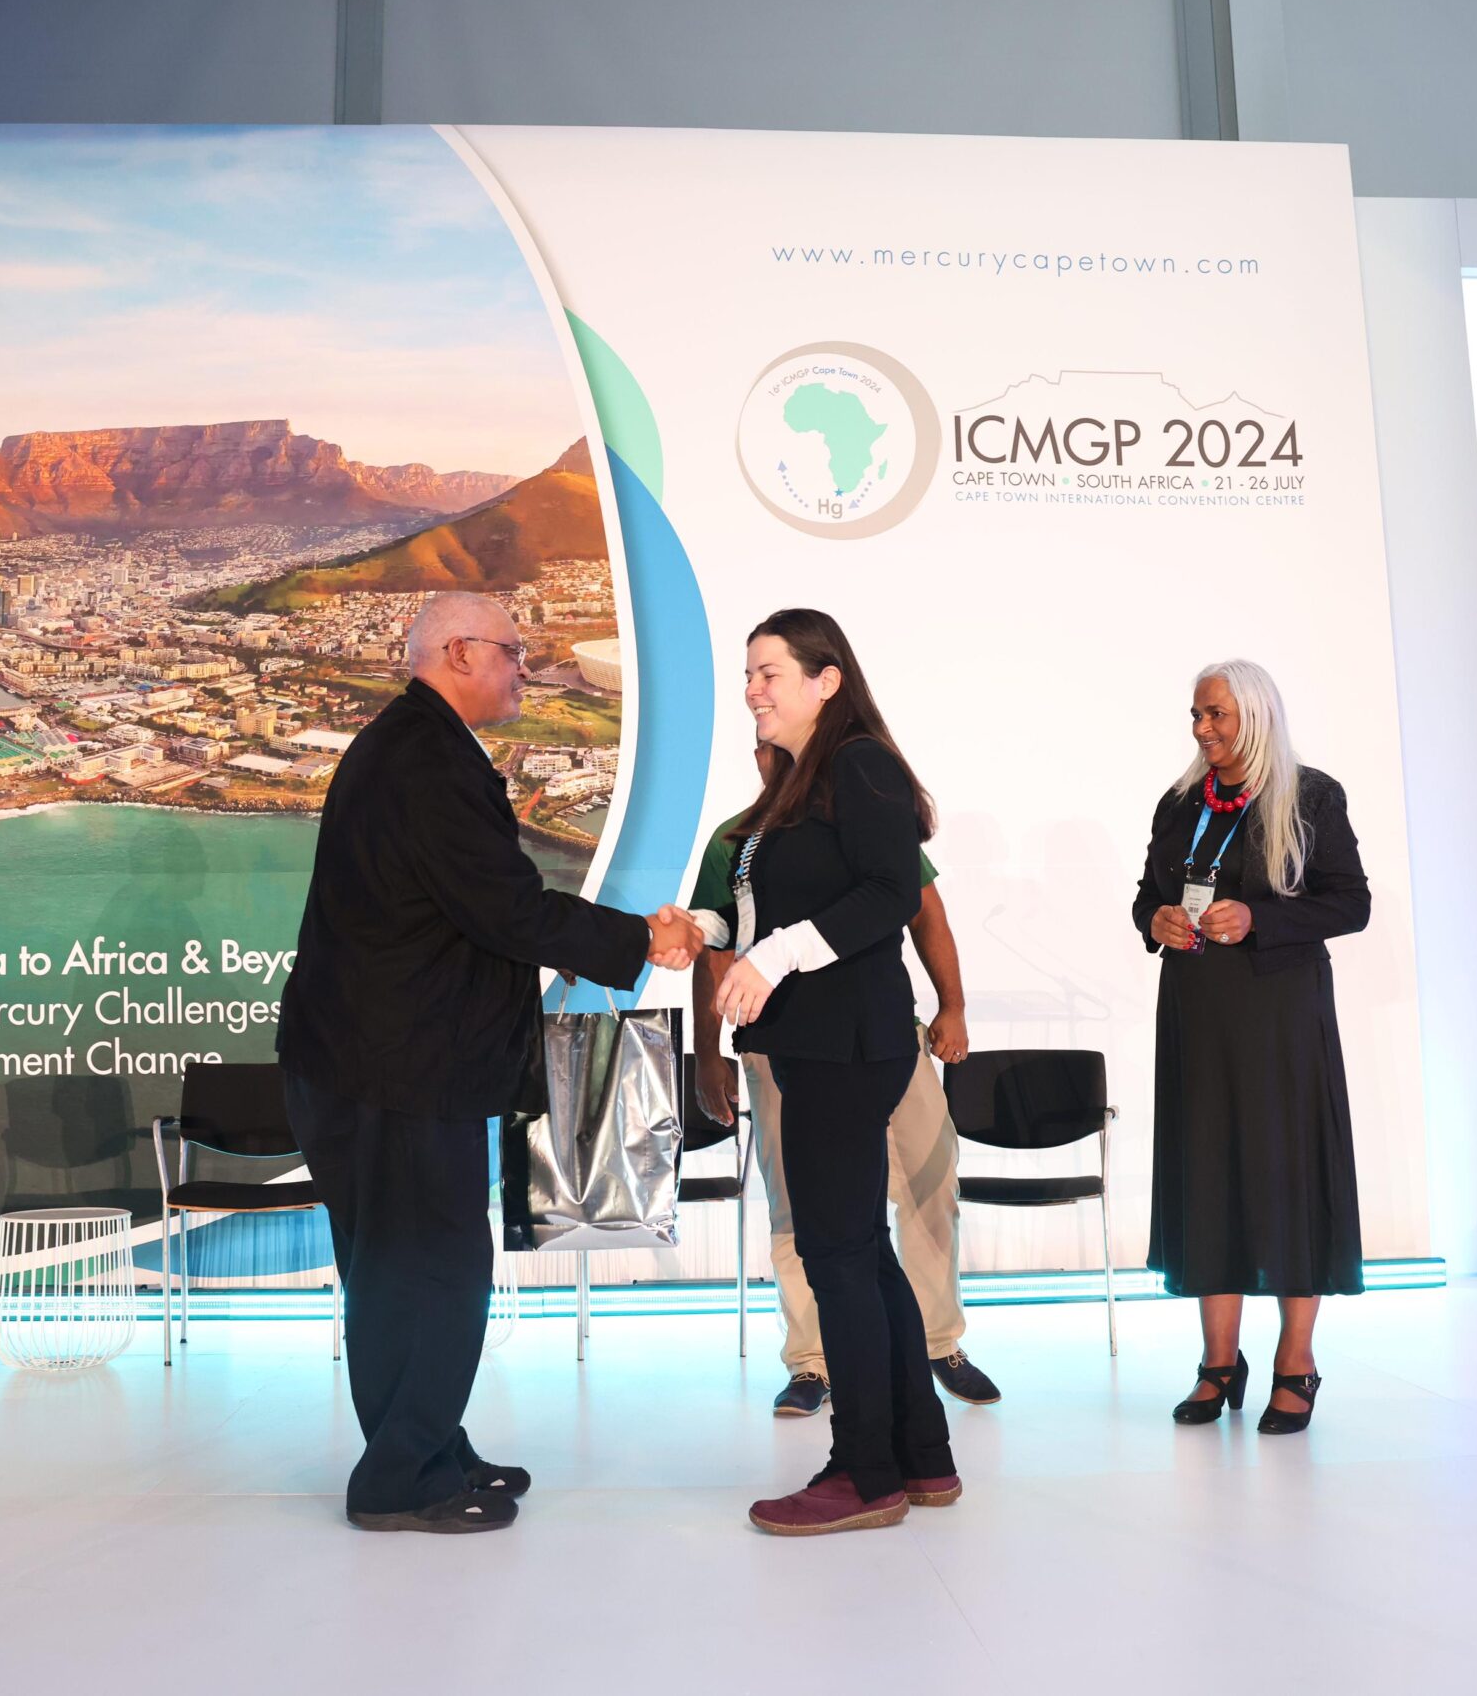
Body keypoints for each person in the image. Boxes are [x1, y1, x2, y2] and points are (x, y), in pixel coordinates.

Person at [277, 591, 704, 1533]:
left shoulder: (411, 745)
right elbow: (507, 907)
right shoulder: (427, 762)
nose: (527, 669)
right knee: (432, 1273)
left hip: (374, 1064)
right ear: (459, 652)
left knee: (399, 1273)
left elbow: (473, 910)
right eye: (514, 652)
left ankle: (429, 1446)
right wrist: (642, 938)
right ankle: (401, 1479)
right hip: (395, 1070)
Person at [693, 608, 959, 1535]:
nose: (751, 690)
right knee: (860, 1253)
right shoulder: (796, 783)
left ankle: (864, 1473)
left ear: (826, 679)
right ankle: (923, 1456)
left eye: (768, 672)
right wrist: (707, 931)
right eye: (748, 674)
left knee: (837, 1258)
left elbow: (889, 894)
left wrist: (774, 958)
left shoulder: (859, 763)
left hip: (847, 1045)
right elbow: (770, 905)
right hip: (815, 1046)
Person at [691, 745, 999, 1417]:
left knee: (929, 1182)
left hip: (884, 1039)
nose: (776, 751)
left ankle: (936, 1343)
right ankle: (813, 1360)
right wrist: (708, 1053)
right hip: (778, 1044)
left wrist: (952, 1006)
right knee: (796, 1204)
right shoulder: (735, 840)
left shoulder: (862, 818)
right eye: (764, 742)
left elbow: (924, 911)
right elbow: (714, 951)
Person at [1130, 658, 1370, 1435]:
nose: (1202, 729)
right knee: (1208, 1175)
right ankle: (1218, 1363)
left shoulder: (1311, 796)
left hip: (1280, 1019)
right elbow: (1148, 893)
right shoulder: (1179, 802)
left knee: (1286, 1177)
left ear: (1256, 716)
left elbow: (1351, 903)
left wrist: (1260, 918)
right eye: (1197, 715)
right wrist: (1156, 919)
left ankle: (1295, 1363)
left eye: (1216, 715)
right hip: (1197, 1016)